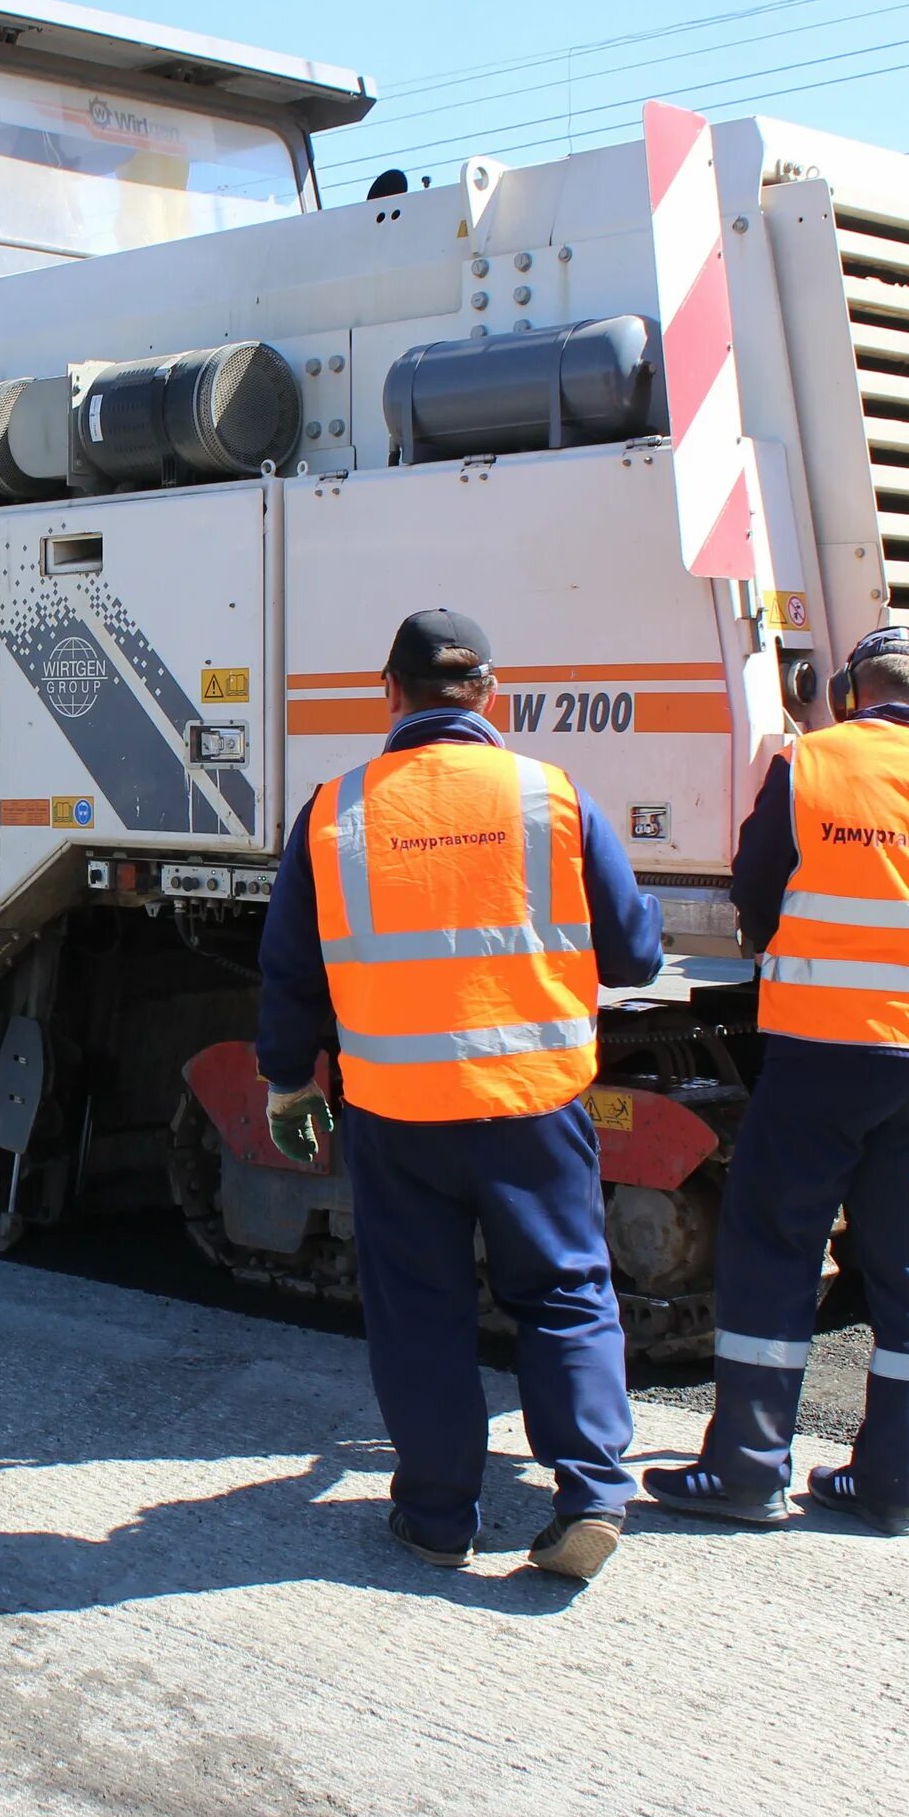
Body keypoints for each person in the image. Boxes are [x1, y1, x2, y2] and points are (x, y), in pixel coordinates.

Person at [256, 610, 666, 1581]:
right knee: (566, 1292)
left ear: (388, 694)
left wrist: (286, 1083)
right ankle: (591, 1492)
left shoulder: (334, 810)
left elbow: (288, 973)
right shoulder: (550, 796)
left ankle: (440, 1515)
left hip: (397, 1111)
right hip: (534, 1101)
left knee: (420, 1310)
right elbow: (637, 951)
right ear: (493, 698)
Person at [645, 627, 909, 1537]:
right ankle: (892, 1485)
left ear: (850, 695)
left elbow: (755, 895)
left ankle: (746, 1471)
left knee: (776, 1248)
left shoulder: (809, 765)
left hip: (819, 1054)